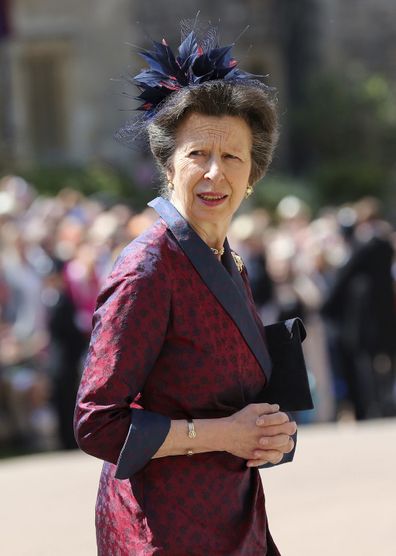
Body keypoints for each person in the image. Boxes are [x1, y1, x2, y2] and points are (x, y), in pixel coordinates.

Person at [74, 26, 300, 555]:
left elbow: (228, 402)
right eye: (198, 153)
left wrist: (269, 433)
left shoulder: (228, 262)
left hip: (232, 518)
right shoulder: (148, 268)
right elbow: (97, 423)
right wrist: (225, 434)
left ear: (252, 178)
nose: (214, 173)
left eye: (233, 158)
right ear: (169, 165)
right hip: (159, 531)